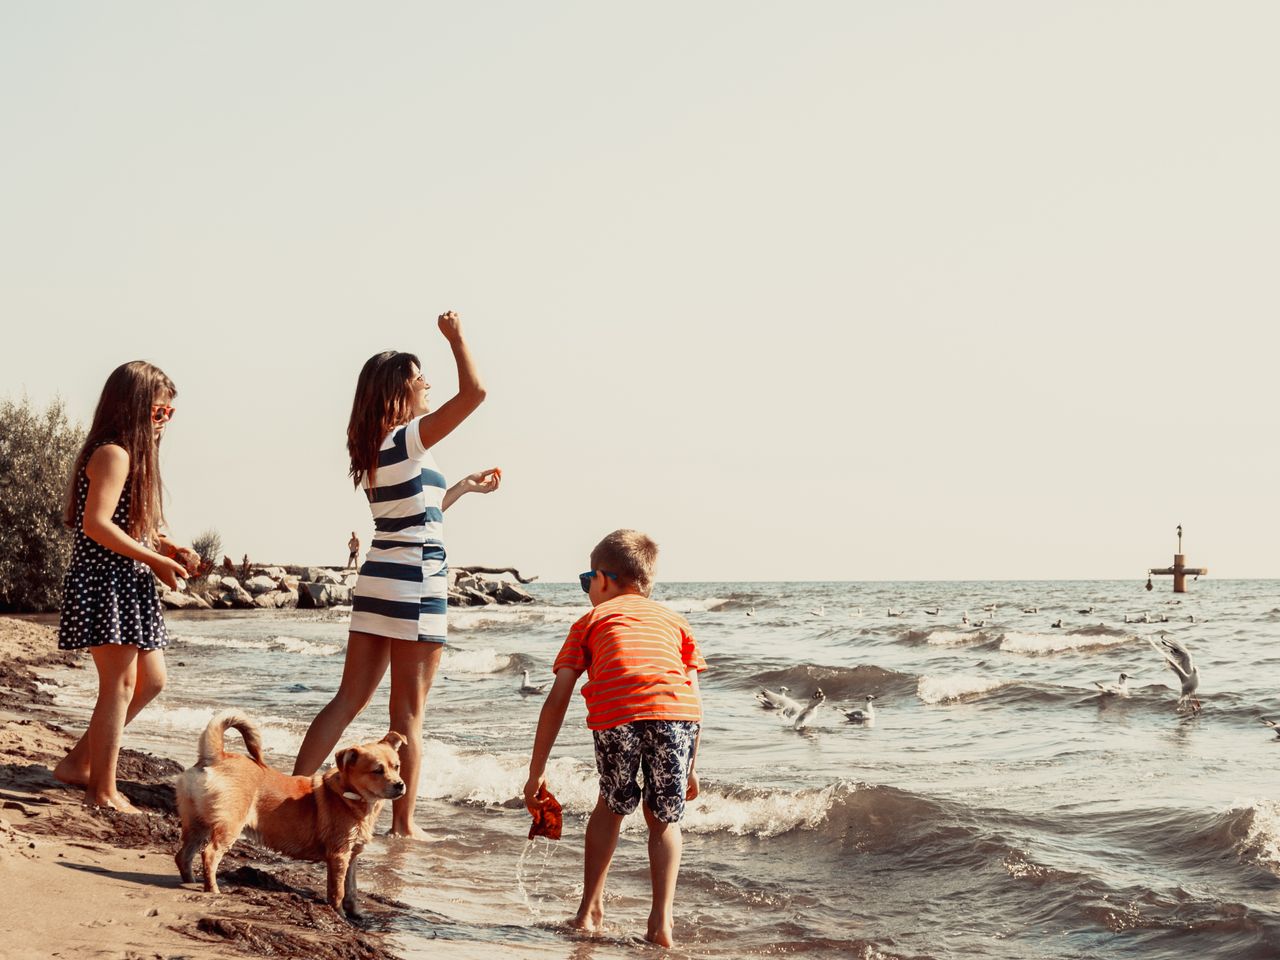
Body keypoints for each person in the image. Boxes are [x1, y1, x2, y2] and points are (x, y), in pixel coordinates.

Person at [292, 310, 499, 838]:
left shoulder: (375, 444)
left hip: (383, 571)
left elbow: (414, 515)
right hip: (416, 579)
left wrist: (463, 490)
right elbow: (474, 393)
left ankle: (292, 795)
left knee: (348, 699)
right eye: (419, 376)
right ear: (399, 391)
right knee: (409, 713)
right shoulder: (405, 438)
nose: (428, 382)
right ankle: (404, 826)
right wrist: (457, 338)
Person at [524, 530, 706, 948]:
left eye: (586, 580)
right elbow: (694, 699)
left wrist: (536, 774)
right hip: (676, 717)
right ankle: (661, 924)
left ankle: (589, 911)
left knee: (611, 805)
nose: (588, 589)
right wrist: (692, 765)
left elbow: (556, 700)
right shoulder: (677, 622)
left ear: (603, 580)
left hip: (618, 715)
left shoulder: (590, 621)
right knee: (664, 819)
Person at [53, 360, 199, 811]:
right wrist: (154, 558)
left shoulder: (132, 457)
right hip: (106, 580)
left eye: (170, 415)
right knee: (117, 686)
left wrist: (167, 547)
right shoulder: (112, 453)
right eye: (159, 414)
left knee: (151, 681)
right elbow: (95, 524)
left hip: (127, 580)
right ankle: (103, 790)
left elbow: (129, 523)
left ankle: (79, 763)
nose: (165, 424)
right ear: (133, 408)